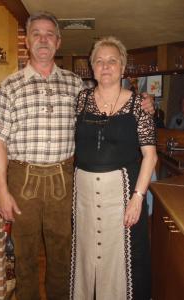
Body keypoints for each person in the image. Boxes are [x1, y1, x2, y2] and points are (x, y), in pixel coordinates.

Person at [0, 12, 154, 300]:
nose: (43, 39)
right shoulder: (8, 86)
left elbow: (110, 101)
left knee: (64, 256)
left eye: (49, 34)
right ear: (27, 41)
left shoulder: (76, 86)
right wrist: (2, 191)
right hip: (21, 177)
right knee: (25, 256)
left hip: (65, 180)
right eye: (36, 33)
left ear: (58, 42)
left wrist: (144, 102)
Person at [70, 36, 157, 300]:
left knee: (123, 259)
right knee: (86, 258)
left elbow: (150, 156)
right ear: (92, 67)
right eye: (99, 61)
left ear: (122, 67)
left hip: (122, 194)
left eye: (112, 61)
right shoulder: (81, 99)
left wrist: (138, 198)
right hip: (84, 196)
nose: (105, 66)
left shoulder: (139, 106)